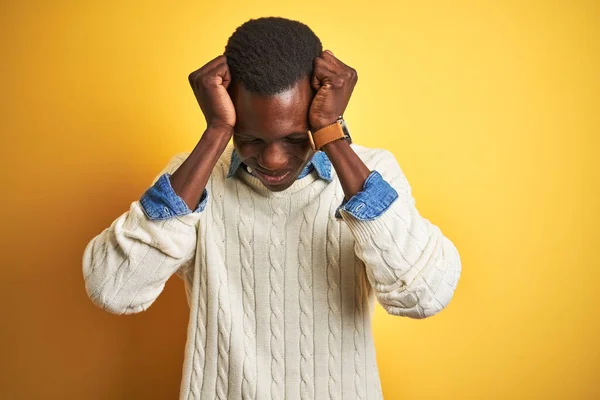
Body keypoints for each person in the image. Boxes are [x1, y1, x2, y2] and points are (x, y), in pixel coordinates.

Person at [83, 16, 461, 400]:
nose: (274, 159)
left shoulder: (368, 174)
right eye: (250, 138)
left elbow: (425, 295)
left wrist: (332, 133)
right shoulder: (192, 181)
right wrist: (215, 134)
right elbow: (112, 289)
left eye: (296, 138)